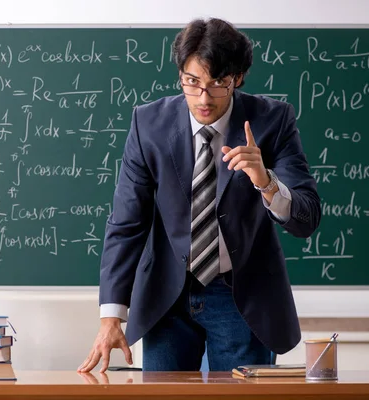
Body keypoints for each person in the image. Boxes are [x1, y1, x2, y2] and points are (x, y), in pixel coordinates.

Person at [77, 17, 321, 373]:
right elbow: (127, 223)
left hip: (242, 296)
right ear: (180, 75)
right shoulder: (149, 124)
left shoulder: (273, 120)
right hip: (167, 296)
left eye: (217, 83)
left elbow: (307, 218)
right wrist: (111, 316)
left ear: (237, 78)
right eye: (192, 82)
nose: (203, 98)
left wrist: (266, 181)